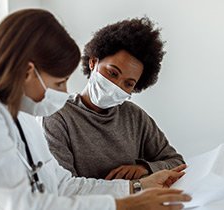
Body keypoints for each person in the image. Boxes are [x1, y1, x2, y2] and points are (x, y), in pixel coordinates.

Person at [0, 9, 191, 210]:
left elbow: (64, 185)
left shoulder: (21, 116)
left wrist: (138, 186)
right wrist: (125, 204)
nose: (64, 91)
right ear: (28, 72)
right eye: (59, 83)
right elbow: (22, 204)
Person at [43, 17, 185, 180]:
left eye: (128, 83)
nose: (116, 85)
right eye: (112, 73)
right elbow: (64, 188)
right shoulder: (57, 116)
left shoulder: (135, 117)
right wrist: (132, 187)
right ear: (93, 62)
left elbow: (176, 162)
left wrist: (145, 168)